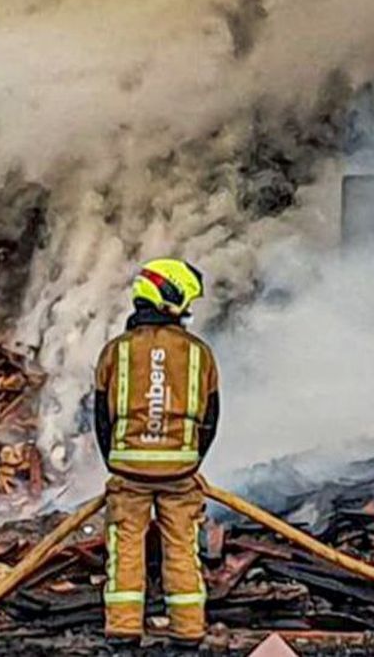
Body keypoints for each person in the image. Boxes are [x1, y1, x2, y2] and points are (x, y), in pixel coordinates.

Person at [93, 258, 220, 651]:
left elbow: (101, 415)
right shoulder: (199, 354)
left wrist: (117, 460)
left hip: (128, 473)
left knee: (126, 549)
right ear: (170, 298)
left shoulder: (116, 351)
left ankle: (124, 633)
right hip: (181, 475)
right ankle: (187, 632)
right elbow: (211, 418)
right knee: (181, 547)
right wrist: (191, 460)